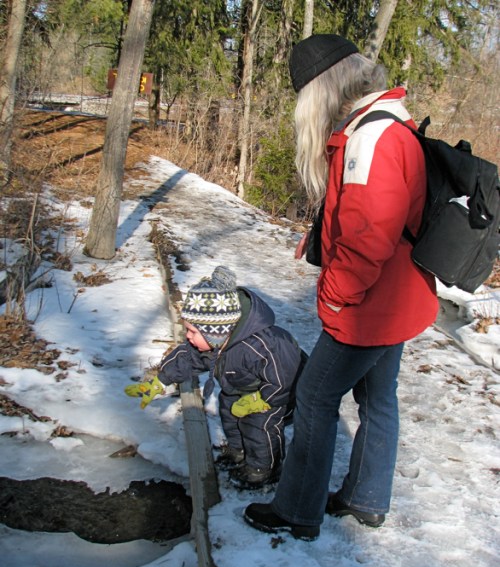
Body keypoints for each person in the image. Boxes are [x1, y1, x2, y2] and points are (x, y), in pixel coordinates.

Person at [244, 34, 439, 540]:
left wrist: (335, 295)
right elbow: (375, 214)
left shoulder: (371, 137)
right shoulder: (390, 122)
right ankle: (366, 498)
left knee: (313, 397)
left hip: (370, 303)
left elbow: (369, 236)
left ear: (324, 88)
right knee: (379, 398)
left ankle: (297, 510)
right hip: (398, 296)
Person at [125, 265, 305, 490]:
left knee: (259, 427)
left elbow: (285, 374)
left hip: (275, 392)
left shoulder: (262, 345)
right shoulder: (213, 345)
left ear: (216, 331)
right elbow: (186, 359)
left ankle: (264, 469)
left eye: (193, 331)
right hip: (239, 386)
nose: (188, 337)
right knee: (230, 415)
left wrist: (263, 400)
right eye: (187, 330)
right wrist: (159, 381)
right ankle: (239, 452)